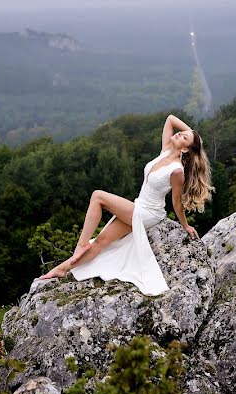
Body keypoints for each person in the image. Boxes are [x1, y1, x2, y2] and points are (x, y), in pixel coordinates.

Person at [38, 114, 214, 295]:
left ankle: (82, 245)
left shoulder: (177, 171)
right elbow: (170, 119)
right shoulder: (166, 150)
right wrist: (192, 135)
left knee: (98, 196)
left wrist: (185, 225)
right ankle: (62, 269)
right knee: (100, 241)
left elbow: (176, 203)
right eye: (181, 132)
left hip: (149, 213)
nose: (179, 134)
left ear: (185, 150)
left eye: (183, 137)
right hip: (138, 206)